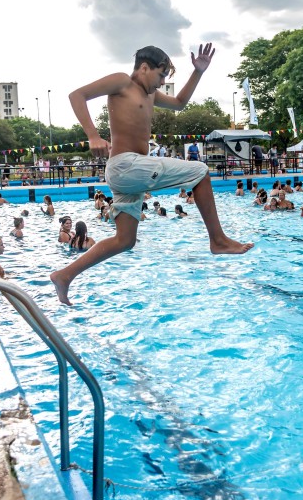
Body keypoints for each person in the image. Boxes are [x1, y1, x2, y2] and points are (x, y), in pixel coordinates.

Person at [50, 44, 252, 305]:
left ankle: (65, 275)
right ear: (144, 67)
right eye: (160, 75)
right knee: (201, 171)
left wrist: (198, 72)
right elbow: (77, 95)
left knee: (125, 240)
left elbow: (179, 103)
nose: (161, 82)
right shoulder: (122, 82)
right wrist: (92, 135)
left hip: (131, 172)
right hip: (126, 164)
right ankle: (218, 240)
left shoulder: (151, 94)